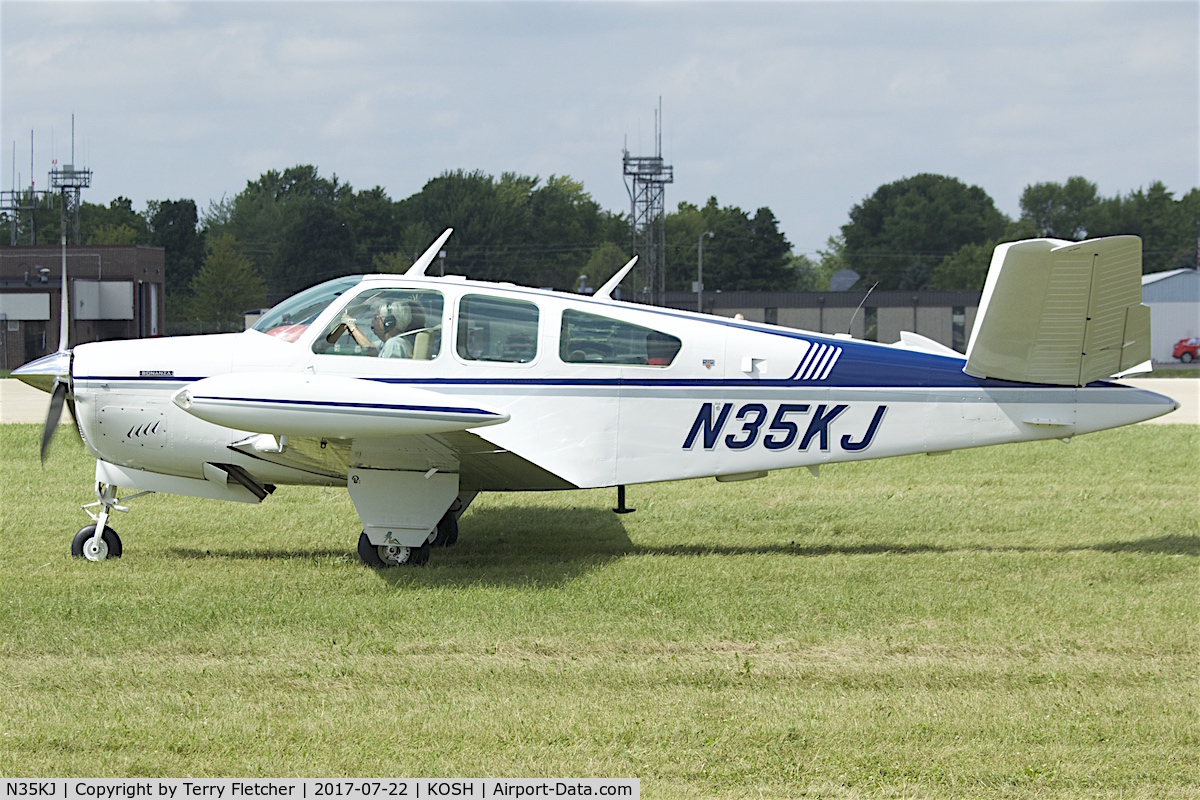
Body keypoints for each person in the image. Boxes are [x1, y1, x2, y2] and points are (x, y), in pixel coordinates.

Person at [342, 301, 413, 357]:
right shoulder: (392, 341)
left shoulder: (394, 344)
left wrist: (351, 325)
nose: (372, 321)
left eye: (376, 318)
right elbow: (370, 347)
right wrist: (354, 332)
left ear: (389, 323)